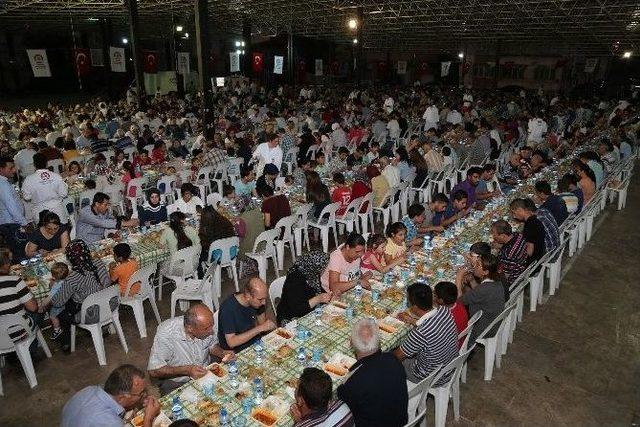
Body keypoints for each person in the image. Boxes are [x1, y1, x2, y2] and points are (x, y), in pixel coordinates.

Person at [148, 304, 234, 395]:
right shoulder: (167, 333)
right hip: (177, 382)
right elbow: (153, 370)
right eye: (206, 329)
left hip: (206, 372)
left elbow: (211, 345)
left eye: (212, 325)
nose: (211, 331)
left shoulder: (207, 324)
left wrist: (222, 353)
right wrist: (187, 370)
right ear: (190, 328)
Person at [337, 318, 408, 427]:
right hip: (399, 421)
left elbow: (342, 407)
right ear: (379, 340)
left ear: (351, 343)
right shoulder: (393, 360)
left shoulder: (353, 382)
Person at [51, 240, 113, 351]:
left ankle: (66, 341)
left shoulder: (72, 278)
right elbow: (107, 283)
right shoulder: (99, 263)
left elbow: (57, 301)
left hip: (90, 313)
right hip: (107, 304)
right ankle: (103, 328)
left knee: (57, 308)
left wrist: (53, 287)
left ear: (69, 258)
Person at [394, 283, 459, 384]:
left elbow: (397, 356)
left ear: (414, 306)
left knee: (387, 358)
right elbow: (433, 327)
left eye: (408, 302)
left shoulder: (420, 333)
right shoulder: (444, 311)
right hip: (450, 367)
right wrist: (411, 320)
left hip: (431, 377)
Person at [61, 364, 160, 427]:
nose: (144, 395)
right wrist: (149, 418)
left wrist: (132, 405)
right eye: (141, 393)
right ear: (123, 397)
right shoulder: (110, 422)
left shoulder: (89, 390)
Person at [456, 253, 506, 342]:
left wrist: (459, 277)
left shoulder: (484, 289)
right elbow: (479, 294)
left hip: (482, 328)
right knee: (465, 288)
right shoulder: (496, 282)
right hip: (491, 322)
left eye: (478, 265)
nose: (474, 266)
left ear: (485, 272)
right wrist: (471, 280)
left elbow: (458, 301)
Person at [217, 277, 276, 352]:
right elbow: (231, 342)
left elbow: (262, 325)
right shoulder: (228, 309)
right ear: (248, 296)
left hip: (252, 340)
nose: (264, 302)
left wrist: (266, 328)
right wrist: (260, 328)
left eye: (265, 298)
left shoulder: (258, 303)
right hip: (234, 351)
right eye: (260, 299)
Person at [276, 251, 333, 326]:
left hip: (308, 310)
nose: (324, 269)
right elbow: (298, 309)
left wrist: (329, 296)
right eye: (323, 267)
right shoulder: (294, 279)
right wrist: (318, 298)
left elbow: (318, 289)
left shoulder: (312, 272)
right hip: (290, 316)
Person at [0, 247, 40, 341]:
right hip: (19, 330)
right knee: (38, 312)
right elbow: (33, 307)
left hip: (1, 336)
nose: (10, 263)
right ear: (5, 265)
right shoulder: (15, 281)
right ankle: (32, 347)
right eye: (9, 261)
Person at [22, 152, 69, 225]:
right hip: (58, 211)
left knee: (45, 235)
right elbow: (64, 193)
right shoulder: (56, 176)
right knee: (62, 233)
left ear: (34, 165)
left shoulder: (29, 179)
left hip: (40, 214)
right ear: (47, 164)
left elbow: (27, 197)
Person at [490, 220, 528, 292]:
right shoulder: (519, 235)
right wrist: (501, 246)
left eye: (494, 234)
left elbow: (504, 276)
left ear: (503, 236)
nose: (493, 237)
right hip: (522, 268)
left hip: (512, 281)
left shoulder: (508, 255)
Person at [510, 198, 547, 262]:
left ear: (520, 210)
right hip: (540, 254)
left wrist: (518, 259)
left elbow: (529, 252)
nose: (514, 216)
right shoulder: (535, 220)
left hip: (534, 262)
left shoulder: (529, 226)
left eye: (514, 213)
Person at [434, 281, 469, 347]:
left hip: (450, 345)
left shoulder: (444, 317)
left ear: (441, 300)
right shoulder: (459, 303)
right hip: (461, 340)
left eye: (435, 295)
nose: (434, 297)